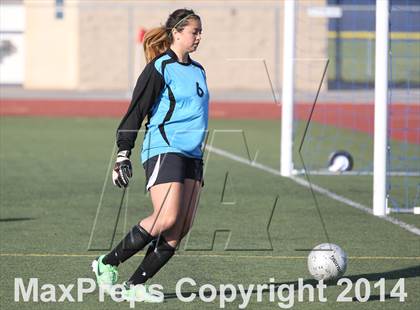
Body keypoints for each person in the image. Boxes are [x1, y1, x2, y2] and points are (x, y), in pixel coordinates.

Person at [91, 8, 208, 303]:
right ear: (177, 33)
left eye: (200, 31)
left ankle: (134, 285)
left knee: (180, 229)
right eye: (195, 31)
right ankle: (107, 264)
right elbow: (136, 111)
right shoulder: (159, 67)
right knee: (166, 217)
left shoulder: (199, 70)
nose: (199, 36)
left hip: (193, 156)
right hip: (164, 148)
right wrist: (123, 154)